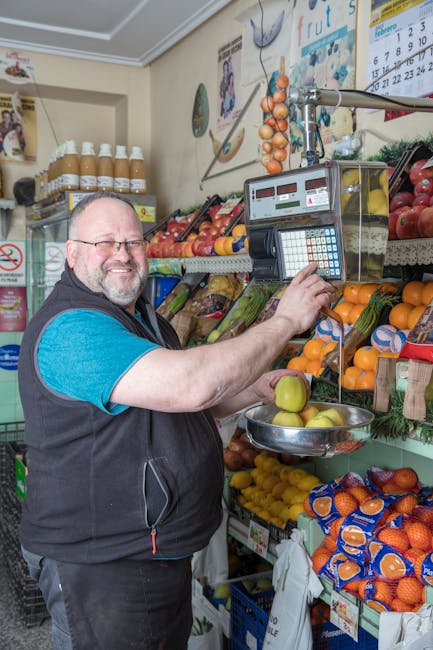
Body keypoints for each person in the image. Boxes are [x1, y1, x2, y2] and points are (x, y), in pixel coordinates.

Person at [18, 192, 335, 650]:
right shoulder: (73, 330)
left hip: (147, 553)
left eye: (133, 242)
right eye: (105, 242)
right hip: (103, 562)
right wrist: (285, 320)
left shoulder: (142, 318)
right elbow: (191, 385)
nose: (123, 255)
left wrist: (250, 392)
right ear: (72, 254)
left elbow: (171, 409)